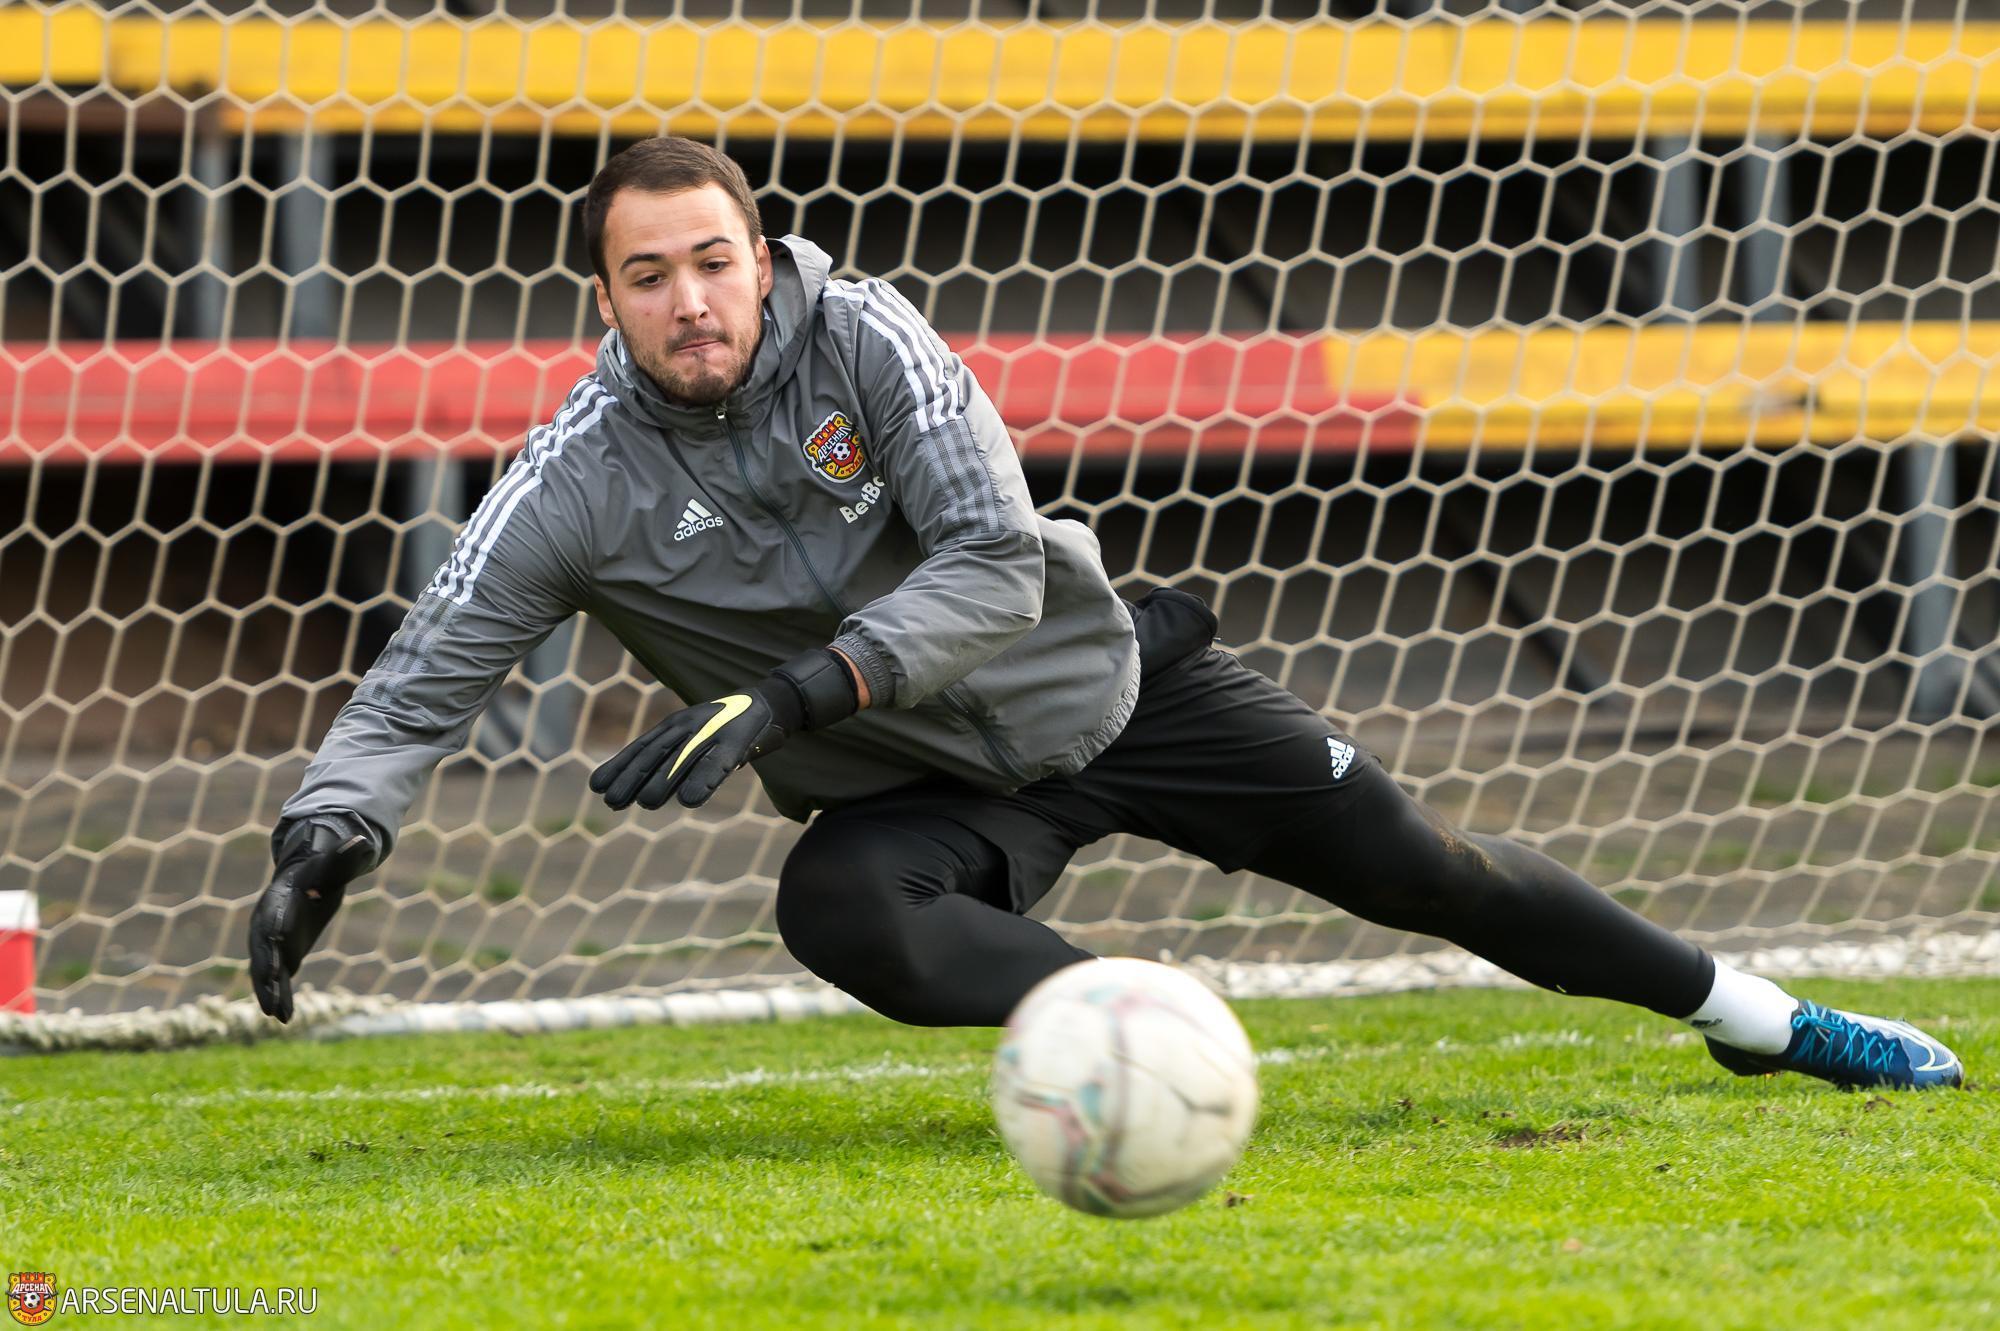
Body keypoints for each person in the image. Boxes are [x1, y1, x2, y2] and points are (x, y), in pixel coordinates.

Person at [250, 137, 1961, 1091]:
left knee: (1435, 873)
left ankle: (1764, 1021)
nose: (690, 299)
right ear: (606, 299)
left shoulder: (871, 338)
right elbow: (423, 679)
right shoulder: (572, 481)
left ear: (760, 260)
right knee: (841, 909)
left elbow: (996, 564)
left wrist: (791, 697)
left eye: (713, 260)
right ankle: (1149, 1044)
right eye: (649, 275)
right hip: (924, 793)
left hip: (1110, 692)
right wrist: (330, 830)